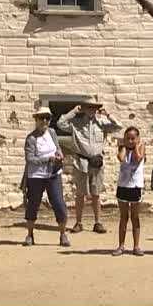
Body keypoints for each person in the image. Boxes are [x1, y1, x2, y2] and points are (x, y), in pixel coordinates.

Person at [55, 100, 120, 235]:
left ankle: (98, 222)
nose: (91, 110)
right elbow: (60, 123)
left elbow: (118, 126)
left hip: (96, 162)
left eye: (94, 108)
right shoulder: (77, 123)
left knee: (96, 193)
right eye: (88, 107)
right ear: (83, 108)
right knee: (80, 194)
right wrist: (73, 111)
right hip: (81, 162)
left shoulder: (102, 124)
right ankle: (79, 222)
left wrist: (107, 114)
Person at [22, 106, 69, 247]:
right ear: (36, 120)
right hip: (36, 176)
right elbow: (30, 159)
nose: (44, 121)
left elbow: (57, 148)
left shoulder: (52, 133)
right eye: (41, 118)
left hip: (53, 173)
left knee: (59, 204)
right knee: (33, 204)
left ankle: (63, 234)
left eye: (47, 118)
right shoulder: (31, 138)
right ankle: (30, 234)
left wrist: (59, 155)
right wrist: (47, 159)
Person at [115, 126, 146, 257]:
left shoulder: (141, 147)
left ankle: (136, 246)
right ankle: (121, 245)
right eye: (128, 138)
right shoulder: (123, 148)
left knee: (135, 217)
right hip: (123, 185)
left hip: (135, 186)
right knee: (123, 217)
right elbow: (121, 159)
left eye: (133, 138)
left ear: (137, 139)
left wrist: (136, 146)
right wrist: (124, 147)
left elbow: (138, 158)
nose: (130, 141)